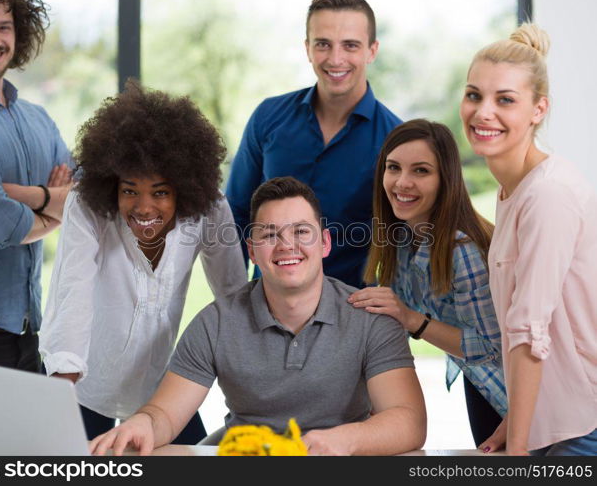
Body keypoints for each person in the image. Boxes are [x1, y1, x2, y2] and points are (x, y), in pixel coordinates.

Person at [89, 177, 426, 456]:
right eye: (269, 235)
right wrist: (142, 423)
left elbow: (409, 422)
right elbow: (164, 414)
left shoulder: (370, 318)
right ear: (251, 250)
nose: (286, 245)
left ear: (324, 243)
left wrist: (342, 440)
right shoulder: (216, 322)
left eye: (301, 232)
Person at [39, 81, 247, 445]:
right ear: (112, 185)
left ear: (184, 189)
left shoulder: (209, 209)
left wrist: (243, 392)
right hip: (84, 383)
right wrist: (59, 396)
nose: (144, 207)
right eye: (129, 190)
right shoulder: (87, 207)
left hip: (159, 390)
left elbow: (232, 297)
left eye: (161, 192)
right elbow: (73, 293)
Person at [460, 23, 597, 456]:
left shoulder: (548, 194)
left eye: (505, 100)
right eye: (474, 95)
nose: (483, 112)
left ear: (538, 109)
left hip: (582, 426)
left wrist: (515, 456)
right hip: (553, 423)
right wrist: (512, 427)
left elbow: (529, 330)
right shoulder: (512, 189)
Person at [226, 0, 401, 288]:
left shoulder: (396, 141)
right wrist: (233, 303)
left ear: (372, 50)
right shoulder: (268, 118)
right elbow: (236, 214)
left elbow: (406, 241)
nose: (335, 59)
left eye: (350, 45)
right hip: (267, 306)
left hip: (353, 313)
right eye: (323, 44)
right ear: (308, 48)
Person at [349, 119, 506, 447]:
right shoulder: (401, 240)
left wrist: (411, 319)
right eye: (393, 168)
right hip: (478, 383)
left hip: (514, 395)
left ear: (445, 180)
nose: (402, 183)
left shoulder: (462, 250)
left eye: (420, 171)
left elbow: (489, 347)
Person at [0, 0, 71, 373]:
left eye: (4, 27)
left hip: (28, 330)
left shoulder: (38, 119)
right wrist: (56, 205)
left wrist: (21, 195)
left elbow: (86, 197)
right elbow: (2, 225)